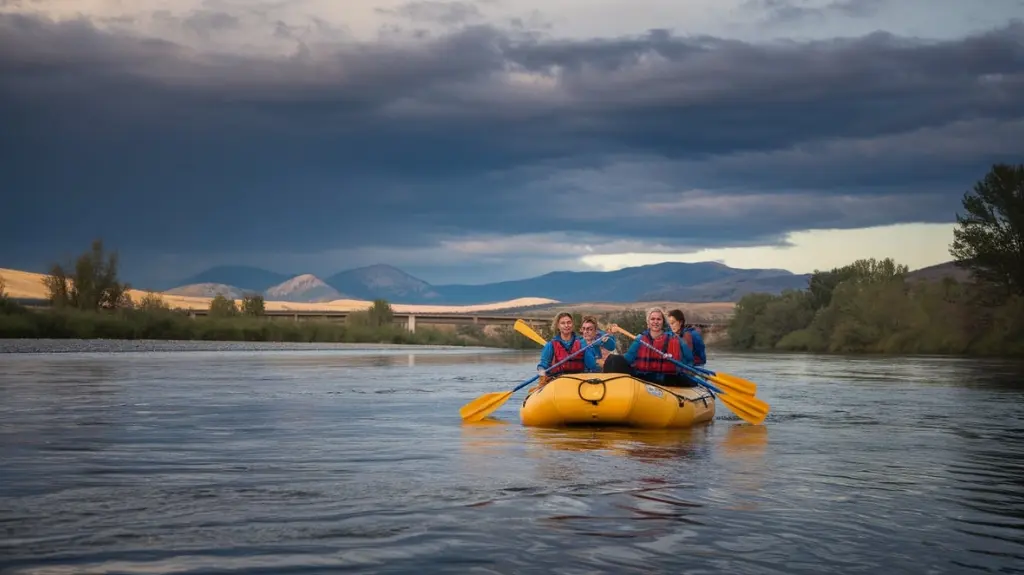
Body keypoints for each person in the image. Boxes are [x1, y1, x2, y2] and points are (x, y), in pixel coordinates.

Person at [603, 307, 695, 387]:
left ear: (663, 322)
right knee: (613, 359)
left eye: (658, 319)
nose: (655, 322)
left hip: (666, 379)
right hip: (644, 377)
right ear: (648, 322)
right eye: (652, 319)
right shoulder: (640, 339)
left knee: (685, 379)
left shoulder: (675, 340)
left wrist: (685, 370)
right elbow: (628, 358)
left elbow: (689, 360)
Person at [536, 312, 598, 380]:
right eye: (563, 323)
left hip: (579, 380)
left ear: (572, 325)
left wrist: (587, 347)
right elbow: (542, 365)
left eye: (569, 322)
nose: (566, 325)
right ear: (558, 326)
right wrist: (541, 371)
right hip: (558, 380)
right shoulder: (551, 345)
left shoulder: (582, 343)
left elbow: (592, 365)